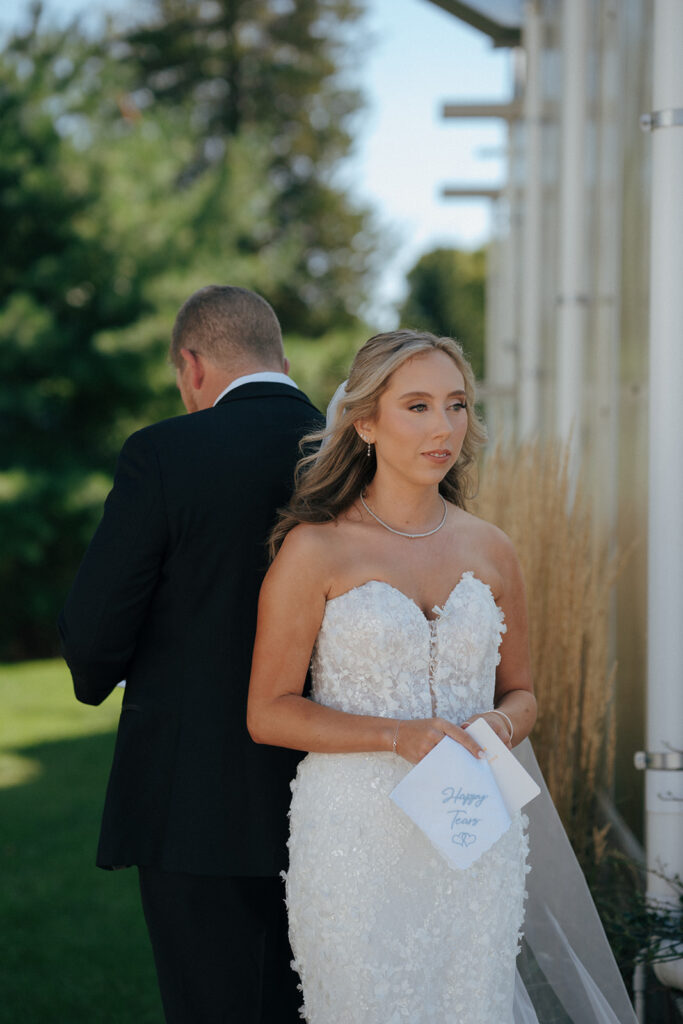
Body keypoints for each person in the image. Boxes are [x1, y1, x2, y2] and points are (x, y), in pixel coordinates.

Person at [247, 329, 538, 1023]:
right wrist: (395, 735)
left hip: (474, 839)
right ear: (365, 423)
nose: (443, 427)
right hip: (355, 843)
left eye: (456, 404)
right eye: (416, 406)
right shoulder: (314, 549)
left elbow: (522, 692)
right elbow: (268, 712)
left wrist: (500, 722)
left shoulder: (491, 548)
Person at [58, 285, 323, 1024]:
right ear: (284, 360)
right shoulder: (358, 454)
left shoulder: (163, 453)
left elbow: (93, 636)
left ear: (192, 365)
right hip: (341, 798)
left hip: (194, 805)